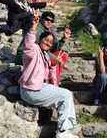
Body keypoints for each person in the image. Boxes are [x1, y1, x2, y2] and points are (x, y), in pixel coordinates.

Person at [19, 9, 78, 138]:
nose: (48, 43)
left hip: (39, 88)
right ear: (39, 40)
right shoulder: (33, 50)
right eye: (46, 40)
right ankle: (62, 132)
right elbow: (28, 43)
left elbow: (47, 74)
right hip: (30, 90)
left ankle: (64, 129)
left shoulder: (45, 55)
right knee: (66, 95)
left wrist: (54, 65)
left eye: (50, 42)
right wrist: (34, 26)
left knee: (64, 95)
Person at [15, 11, 70, 86]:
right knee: (55, 62)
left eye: (51, 21)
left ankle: (51, 80)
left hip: (39, 54)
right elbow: (40, 51)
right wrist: (56, 59)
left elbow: (51, 49)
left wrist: (63, 39)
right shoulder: (37, 30)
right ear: (41, 20)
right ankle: (52, 86)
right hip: (26, 56)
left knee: (62, 55)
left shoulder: (45, 30)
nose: (49, 22)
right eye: (47, 19)